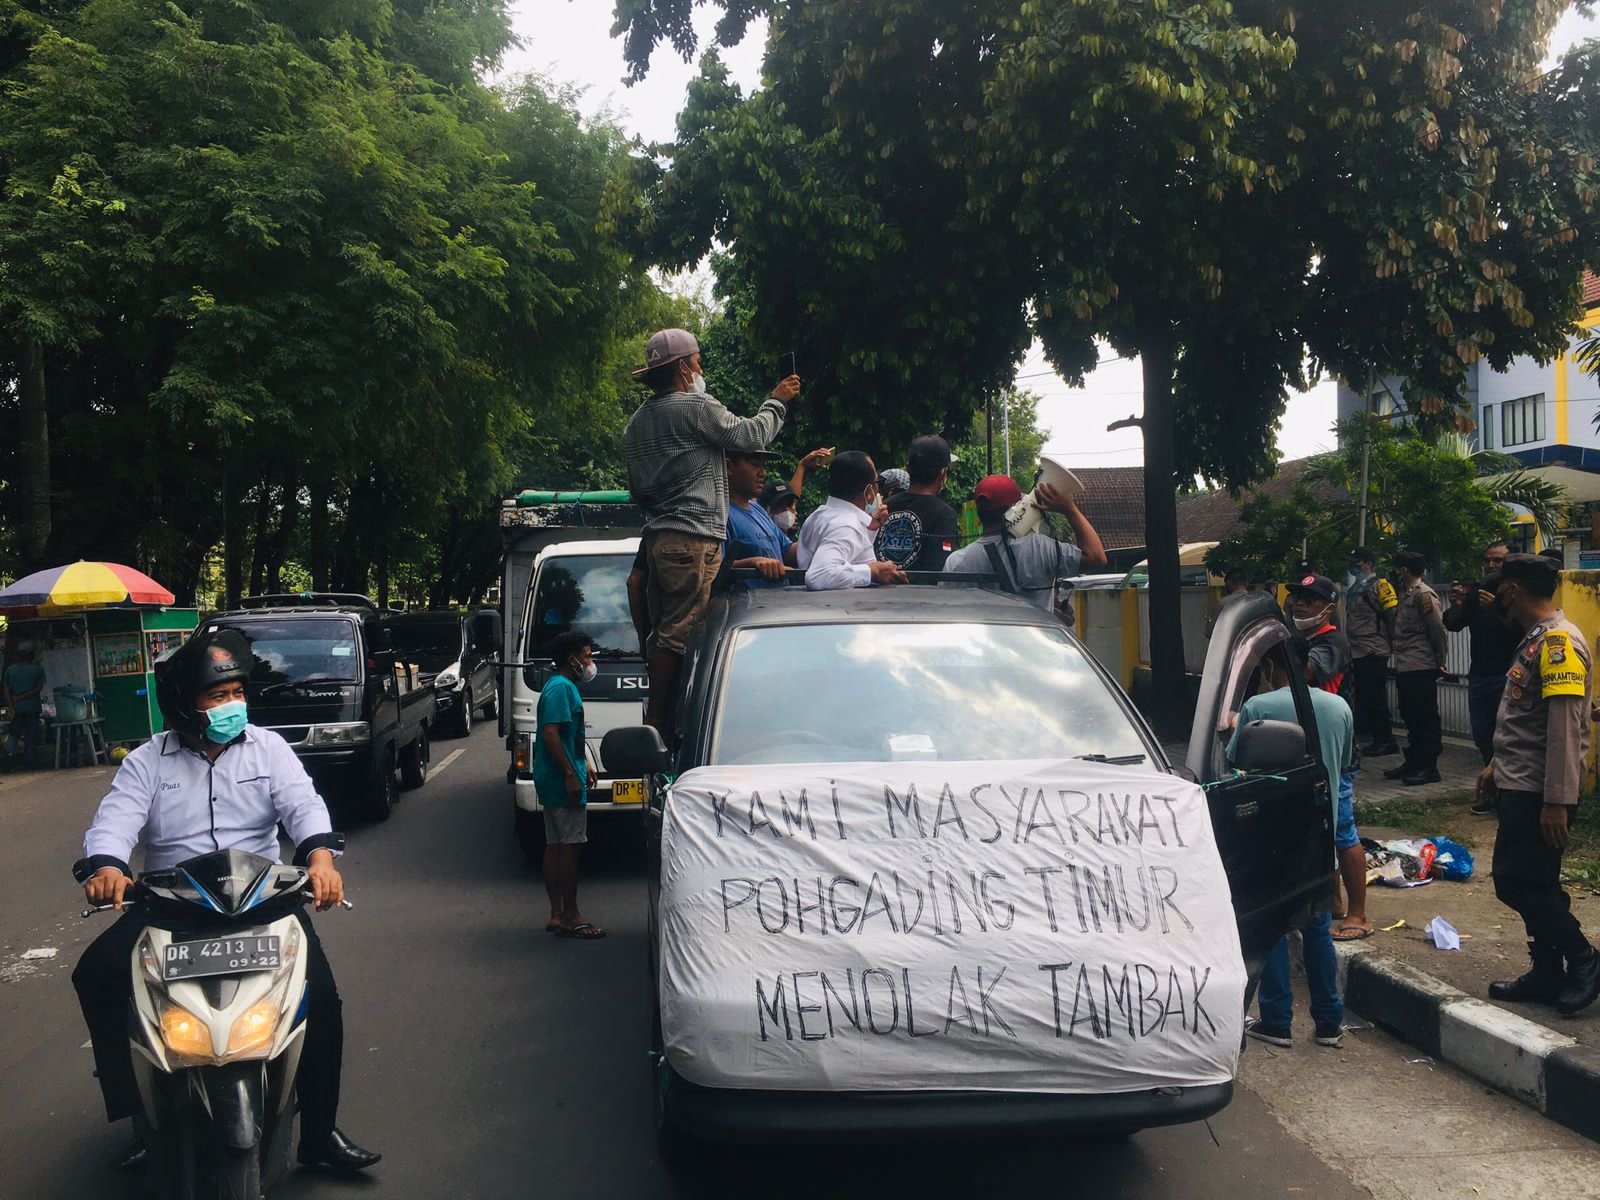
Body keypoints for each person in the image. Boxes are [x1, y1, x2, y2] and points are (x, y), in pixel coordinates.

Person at [70, 629, 378, 1173]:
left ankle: (320, 1133)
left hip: (261, 899)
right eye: (219, 696)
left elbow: (303, 806)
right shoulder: (148, 761)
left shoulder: (269, 748)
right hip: (172, 904)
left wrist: (321, 861)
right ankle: (140, 1115)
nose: (233, 705)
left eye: (238, 693)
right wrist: (109, 867)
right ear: (186, 704)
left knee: (321, 1002)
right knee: (97, 973)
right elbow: (116, 819)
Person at [623, 327, 800, 735]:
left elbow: (637, 489)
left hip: (659, 537)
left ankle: (665, 716)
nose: (702, 368)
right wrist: (778, 401)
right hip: (692, 537)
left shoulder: (637, 424)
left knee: (664, 634)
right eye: (699, 361)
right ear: (684, 368)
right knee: (679, 634)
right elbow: (749, 434)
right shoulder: (695, 406)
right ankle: (664, 723)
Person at [1478, 554, 1600, 1015]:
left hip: (1540, 793)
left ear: (1512, 589)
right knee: (1534, 881)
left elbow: (1565, 729)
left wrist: (1558, 802)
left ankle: (1584, 957)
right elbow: (1525, 719)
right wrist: (1494, 766)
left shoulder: (1558, 644)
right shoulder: (1535, 640)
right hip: (1522, 784)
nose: (1496, 603)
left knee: (1517, 882)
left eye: (1499, 591)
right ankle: (1548, 971)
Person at [1231, 648, 1353, 1049]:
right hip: (1319, 834)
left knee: (1274, 931)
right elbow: (1346, 762)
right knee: (1317, 927)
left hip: (1270, 837)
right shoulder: (1339, 708)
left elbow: (1234, 761)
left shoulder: (1258, 706)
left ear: (1270, 666)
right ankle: (1330, 1023)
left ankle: (1277, 1020)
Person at [1287, 575, 1369, 942]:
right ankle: (1333, 902)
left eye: (1309, 598)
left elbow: (1307, 673)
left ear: (1328, 607)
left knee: (1341, 831)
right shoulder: (1303, 640)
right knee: (1321, 828)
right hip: (1309, 749)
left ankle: (1358, 913)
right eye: (1297, 598)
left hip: (1336, 754)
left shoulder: (1330, 642)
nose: (1300, 604)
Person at [945, 474, 1108, 610]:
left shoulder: (956, 562)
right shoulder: (1040, 548)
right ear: (1015, 510)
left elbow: (948, 611)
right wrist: (1069, 509)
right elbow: (1096, 557)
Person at [533, 631, 604, 940]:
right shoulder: (562, 689)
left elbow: (564, 734)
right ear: (572, 659)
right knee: (570, 847)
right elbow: (550, 734)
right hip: (560, 778)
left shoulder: (557, 686)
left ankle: (557, 914)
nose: (590, 663)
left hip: (554, 774)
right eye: (587, 656)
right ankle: (572, 915)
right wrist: (570, 774)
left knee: (555, 844)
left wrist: (582, 763)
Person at [1445, 541, 1518, 780]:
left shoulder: (1517, 594)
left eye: (1498, 560)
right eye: (1487, 560)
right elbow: (1453, 624)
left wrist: (1496, 608)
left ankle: (1505, 788)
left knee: (1507, 738)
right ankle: (1491, 783)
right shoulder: (1477, 593)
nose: (1491, 565)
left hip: (1507, 676)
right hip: (1479, 675)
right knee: (1482, 735)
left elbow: (1522, 631)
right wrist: (1456, 604)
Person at [795, 451, 909, 590]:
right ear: (869, 491)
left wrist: (870, 529)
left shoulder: (820, 514)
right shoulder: (845, 526)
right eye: (876, 482)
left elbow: (852, 553)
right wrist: (872, 571)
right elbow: (818, 576)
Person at [1384, 550, 1448, 786]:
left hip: (1421, 665)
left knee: (1424, 718)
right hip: (1406, 665)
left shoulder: (1424, 595)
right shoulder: (1406, 594)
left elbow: (1437, 631)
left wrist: (1440, 661)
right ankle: (1413, 761)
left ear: (1404, 570)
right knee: (1410, 715)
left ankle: (1428, 767)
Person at [874, 434, 962, 573]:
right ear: (942, 473)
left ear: (908, 469)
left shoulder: (885, 506)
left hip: (878, 591)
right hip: (922, 594)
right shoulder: (945, 514)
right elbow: (939, 568)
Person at [1346, 546, 1400, 756]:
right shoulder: (1356, 588)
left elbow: (1392, 615)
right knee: (1365, 697)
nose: (1353, 565)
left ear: (1367, 563)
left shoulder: (1381, 585)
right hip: (1357, 649)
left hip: (1374, 649)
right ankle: (1373, 736)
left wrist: (1393, 642)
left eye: (1357, 561)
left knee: (1376, 698)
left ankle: (1385, 740)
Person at [725, 449, 797, 585]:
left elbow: (787, 551)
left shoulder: (757, 509)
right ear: (729, 467)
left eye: (763, 466)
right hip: (744, 604)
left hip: (778, 602)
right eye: (755, 465)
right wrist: (753, 562)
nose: (763, 473)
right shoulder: (720, 514)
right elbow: (711, 569)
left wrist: (817, 539)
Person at [2, 643, 46, 768]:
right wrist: (24, 696)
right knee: (30, 735)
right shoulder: (38, 669)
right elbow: (38, 688)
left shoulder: (10, 670)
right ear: (31, 656)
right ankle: (29, 763)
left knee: (14, 734)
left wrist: (11, 706)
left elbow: (6, 690)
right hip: (32, 708)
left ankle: (8, 759)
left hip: (16, 709)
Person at [1205, 567, 1250, 638]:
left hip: (1232, 645)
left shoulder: (1223, 603)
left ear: (1228, 583)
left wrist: (1209, 620)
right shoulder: (1257, 600)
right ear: (1246, 582)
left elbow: (1210, 632)